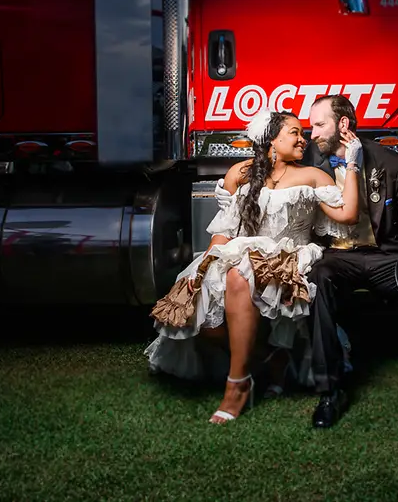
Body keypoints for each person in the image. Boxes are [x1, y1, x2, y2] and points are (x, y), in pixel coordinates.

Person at [143, 109, 362, 424]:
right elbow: (225, 231)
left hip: (288, 259)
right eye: (295, 133)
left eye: (303, 133)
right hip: (239, 254)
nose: (303, 139)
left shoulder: (313, 176)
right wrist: (200, 270)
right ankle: (271, 359)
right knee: (195, 310)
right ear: (271, 140)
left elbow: (349, 216)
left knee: (237, 275)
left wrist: (352, 162)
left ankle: (238, 386)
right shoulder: (240, 174)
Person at [303, 94, 398, 429]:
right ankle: (329, 391)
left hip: (386, 256)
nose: (311, 133)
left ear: (343, 124)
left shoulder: (389, 162)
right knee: (318, 279)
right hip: (338, 256)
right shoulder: (309, 161)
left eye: (318, 125)